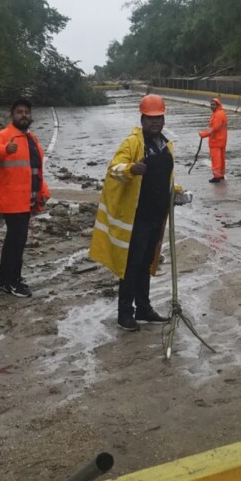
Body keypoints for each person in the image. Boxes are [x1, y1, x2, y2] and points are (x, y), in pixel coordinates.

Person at [89, 94, 179, 332]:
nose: (155, 123)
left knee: (146, 263)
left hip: (156, 217)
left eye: (159, 118)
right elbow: (114, 169)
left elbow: (164, 177)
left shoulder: (165, 144)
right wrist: (131, 169)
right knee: (132, 265)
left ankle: (144, 308)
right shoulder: (133, 143)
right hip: (137, 217)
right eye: (150, 119)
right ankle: (125, 313)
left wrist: (176, 192)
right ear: (142, 119)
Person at [0, 98, 50, 298]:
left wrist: (43, 191)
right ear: (12, 115)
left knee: (14, 240)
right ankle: (13, 282)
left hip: (26, 200)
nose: (24, 115)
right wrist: (4, 150)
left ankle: (3, 279)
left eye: (26, 111)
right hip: (11, 200)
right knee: (17, 241)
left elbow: (35, 170)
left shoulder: (32, 139)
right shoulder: (4, 136)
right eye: (19, 112)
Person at [198, 97, 228, 183]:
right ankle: (221, 175)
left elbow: (213, 129)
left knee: (216, 160)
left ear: (218, 105)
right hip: (221, 140)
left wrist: (202, 134)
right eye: (211, 105)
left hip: (216, 141)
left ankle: (217, 176)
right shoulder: (221, 113)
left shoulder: (217, 115)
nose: (211, 106)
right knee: (221, 159)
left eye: (213, 105)